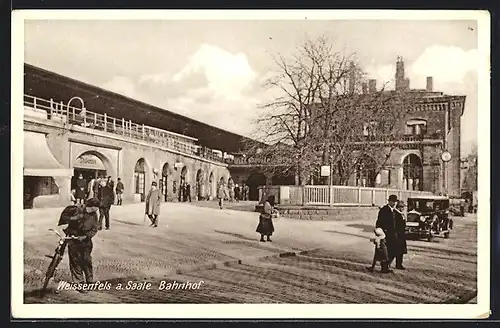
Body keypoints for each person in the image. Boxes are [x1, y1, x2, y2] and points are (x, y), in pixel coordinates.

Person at [62, 197, 99, 293]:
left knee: (87, 260)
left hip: (86, 240)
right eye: (93, 209)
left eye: (95, 210)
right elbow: (64, 218)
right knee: (75, 261)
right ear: (90, 206)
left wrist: (87, 236)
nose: (94, 212)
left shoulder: (94, 214)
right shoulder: (76, 209)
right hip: (74, 239)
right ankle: (79, 283)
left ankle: (90, 281)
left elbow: (95, 229)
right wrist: (74, 218)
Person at [375, 194, 398, 273]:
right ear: (389, 201)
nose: (394, 203)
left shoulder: (394, 211)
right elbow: (380, 222)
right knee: (385, 252)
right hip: (385, 234)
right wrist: (383, 232)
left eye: (395, 202)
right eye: (393, 201)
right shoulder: (384, 210)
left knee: (394, 250)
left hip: (392, 234)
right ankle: (384, 268)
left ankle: (387, 266)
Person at [392, 200, 408, 270]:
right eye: (402, 207)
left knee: (400, 251)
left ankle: (399, 264)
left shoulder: (401, 214)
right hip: (398, 235)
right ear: (399, 207)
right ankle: (397, 264)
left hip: (401, 235)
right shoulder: (395, 214)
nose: (403, 209)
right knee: (397, 251)